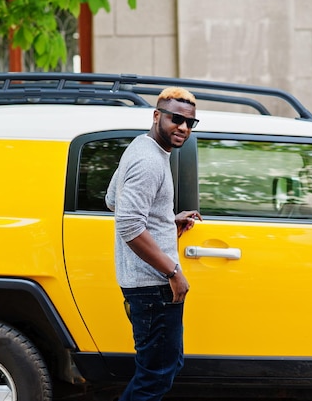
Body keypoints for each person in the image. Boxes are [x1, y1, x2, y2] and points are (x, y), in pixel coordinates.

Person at [105, 87, 202, 401]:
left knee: (165, 366)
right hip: (153, 286)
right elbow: (129, 224)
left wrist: (165, 220)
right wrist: (173, 273)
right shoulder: (149, 161)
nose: (183, 128)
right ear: (157, 115)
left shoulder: (141, 148)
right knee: (155, 378)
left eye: (190, 122)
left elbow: (112, 201)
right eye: (176, 119)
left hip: (145, 284)